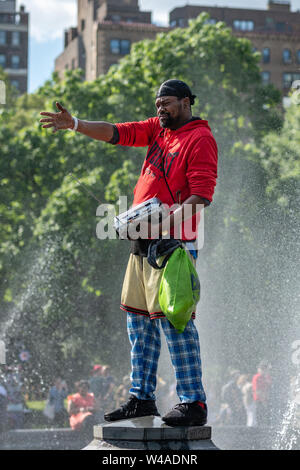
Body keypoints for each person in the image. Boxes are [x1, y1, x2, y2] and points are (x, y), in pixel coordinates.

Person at [40, 78, 218, 426]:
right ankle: (142, 398)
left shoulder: (200, 138)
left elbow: (201, 198)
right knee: (138, 322)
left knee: (175, 321)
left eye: (166, 103)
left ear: (185, 102)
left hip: (174, 246)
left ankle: (193, 402)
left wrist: (163, 225)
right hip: (142, 246)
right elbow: (117, 132)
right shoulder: (157, 130)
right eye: (156, 105)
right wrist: (74, 124)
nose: (159, 109)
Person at [252, 360, 272, 427]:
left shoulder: (267, 377)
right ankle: (259, 427)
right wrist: (262, 399)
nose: (263, 371)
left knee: (268, 413)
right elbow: (256, 390)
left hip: (266, 398)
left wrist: (266, 378)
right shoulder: (256, 377)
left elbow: (269, 386)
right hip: (258, 399)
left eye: (265, 369)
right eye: (262, 369)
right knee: (259, 413)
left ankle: (268, 426)